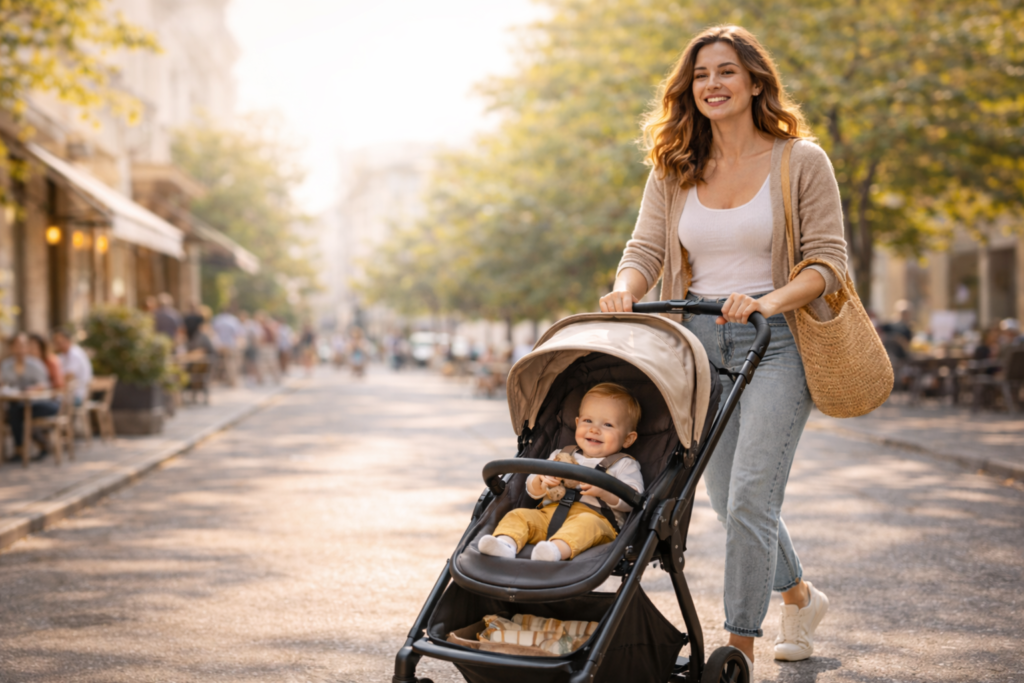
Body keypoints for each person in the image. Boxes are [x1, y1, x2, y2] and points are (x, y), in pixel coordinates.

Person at [599, 26, 847, 668]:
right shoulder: (675, 167)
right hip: (699, 345)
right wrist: (625, 290)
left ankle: (739, 647)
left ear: (756, 82)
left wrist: (769, 301)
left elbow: (828, 264)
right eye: (701, 74)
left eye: (727, 71)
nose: (712, 84)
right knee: (723, 499)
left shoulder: (801, 161)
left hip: (776, 340)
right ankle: (799, 596)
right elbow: (645, 250)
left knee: (750, 498)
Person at [478, 383, 644, 562]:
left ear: (628, 439)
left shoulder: (624, 464)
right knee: (518, 515)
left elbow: (634, 498)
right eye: (588, 421)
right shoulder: (561, 454)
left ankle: (555, 551)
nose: (594, 429)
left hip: (597, 520)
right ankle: (505, 544)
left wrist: (605, 492)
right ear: (577, 423)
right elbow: (531, 489)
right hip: (548, 515)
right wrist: (542, 480)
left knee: (587, 525)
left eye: (608, 424)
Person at [1, 332, 59, 456]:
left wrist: (32, 389)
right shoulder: (6, 365)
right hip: (19, 404)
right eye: (16, 345)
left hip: (44, 403)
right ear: (11, 347)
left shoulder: (36, 364)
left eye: (22, 345)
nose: (20, 349)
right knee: (15, 410)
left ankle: (21, 448)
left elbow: (45, 385)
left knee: (16, 413)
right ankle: (39, 443)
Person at [52, 327, 93, 406]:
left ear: (68, 340)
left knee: (48, 404)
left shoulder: (75, 354)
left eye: (61, 341)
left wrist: (52, 383)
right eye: (56, 342)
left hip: (78, 396)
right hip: (69, 395)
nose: (59, 344)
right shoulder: (63, 356)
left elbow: (67, 377)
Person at [212, 306, 245, 386]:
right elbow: (238, 334)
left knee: (218, 362)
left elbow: (213, 332)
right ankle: (232, 381)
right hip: (230, 344)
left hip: (219, 345)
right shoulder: (233, 320)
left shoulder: (217, 319)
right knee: (230, 363)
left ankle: (216, 379)